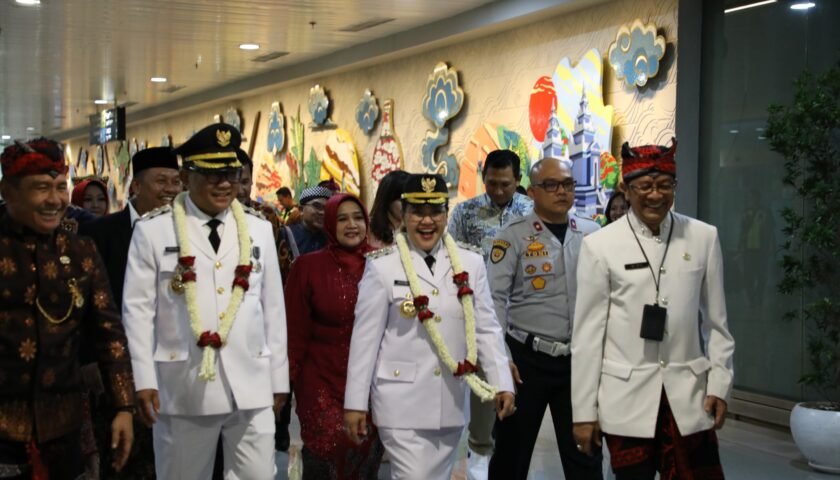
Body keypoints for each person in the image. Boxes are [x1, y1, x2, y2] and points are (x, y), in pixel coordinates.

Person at [122, 123, 290, 478]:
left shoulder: (258, 228)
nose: (224, 184)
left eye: (231, 174)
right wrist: (143, 379)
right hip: (183, 384)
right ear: (186, 177)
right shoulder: (154, 230)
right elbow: (137, 313)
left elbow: (273, 310)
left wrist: (279, 379)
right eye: (212, 175)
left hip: (251, 382)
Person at [571, 139, 735, 480]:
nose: (656, 195)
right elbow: (587, 337)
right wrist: (584, 412)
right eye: (645, 186)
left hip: (690, 398)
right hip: (625, 401)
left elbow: (717, 325)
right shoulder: (599, 246)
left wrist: (719, 384)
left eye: (664, 185)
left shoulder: (703, 237)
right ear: (626, 189)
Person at [343, 173, 516, 480]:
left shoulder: (471, 263)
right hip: (400, 404)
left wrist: (502, 382)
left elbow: (486, 328)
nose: (426, 221)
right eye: (417, 212)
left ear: (446, 215)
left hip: (450, 403)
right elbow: (364, 341)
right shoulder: (382, 266)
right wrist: (355, 403)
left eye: (435, 211)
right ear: (403, 215)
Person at [0, 138, 135, 478]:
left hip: (64, 426)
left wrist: (124, 406)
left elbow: (110, 334)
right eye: (41, 188)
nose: (55, 200)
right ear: (8, 192)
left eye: (61, 187)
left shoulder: (81, 252)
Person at [487, 158, 602, 479]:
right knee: (511, 455)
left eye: (567, 184)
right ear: (532, 192)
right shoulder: (512, 236)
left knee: (586, 453)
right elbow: (494, 301)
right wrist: (502, 359)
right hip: (526, 359)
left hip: (578, 360)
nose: (561, 191)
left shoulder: (592, 233)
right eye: (551, 185)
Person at [79, 146, 181, 478]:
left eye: (176, 181)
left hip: (171, 367)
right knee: (122, 457)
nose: (170, 189)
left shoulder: (185, 231)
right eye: (161, 181)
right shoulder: (101, 233)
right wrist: (89, 359)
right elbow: (84, 303)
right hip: (116, 367)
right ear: (136, 185)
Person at [445, 149, 533, 477]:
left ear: (518, 180)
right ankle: (480, 451)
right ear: (484, 178)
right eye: (492, 183)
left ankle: (510, 455)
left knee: (519, 387)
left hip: (522, 314)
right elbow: (452, 258)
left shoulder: (531, 211)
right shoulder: (465, 212)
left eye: (505, 184)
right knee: (484, 389)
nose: (498, 190)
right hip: (480, 313)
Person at [286, 193, 385, 479]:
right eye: (342, 219)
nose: (351, 225)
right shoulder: (307, 267)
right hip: (320, 381)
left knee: (364, 459)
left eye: (357, 218)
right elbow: (294, 332)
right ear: (330, 223)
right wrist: (285, 382)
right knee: (326, 453)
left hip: (371, 382)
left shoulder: (382, 264)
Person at [237, 149, 299, 279]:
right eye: (234, 182)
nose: (239, 190)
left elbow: (281, 264)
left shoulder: (266, 214)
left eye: (244, 182)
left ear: (252, 181)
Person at [368, 169, 410, 249]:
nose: (408, 205)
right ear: (388, 199)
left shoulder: (414, 228)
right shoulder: (368, 228)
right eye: (402, 201)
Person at [289, 185, 333, 254]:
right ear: (301, 210)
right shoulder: (288, 235)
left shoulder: (330, 237)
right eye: (317, 206)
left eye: (326, 208)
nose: (323, 212)